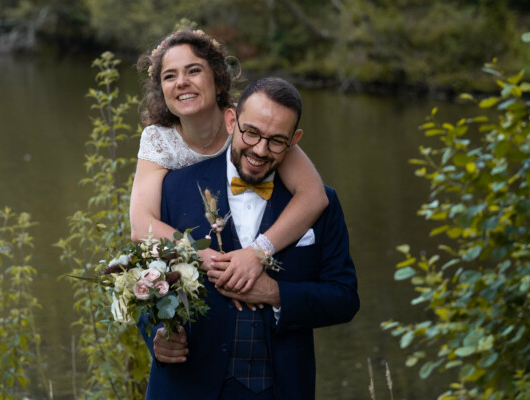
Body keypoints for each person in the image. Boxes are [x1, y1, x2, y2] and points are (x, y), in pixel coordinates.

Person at [138, 77, 360, 399]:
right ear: (232, 121)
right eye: (251, 132)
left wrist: (276, 293)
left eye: (276, 141)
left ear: (293, 140)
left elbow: (344, 299)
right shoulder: (175, 189)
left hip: (280, 388)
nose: (259, 150)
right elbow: (143, 281)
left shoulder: (320, 204)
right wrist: (156, 334)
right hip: (186, 386)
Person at [130, 29, 328, 295]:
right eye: (169, 76)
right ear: (161, 91)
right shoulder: (157, 139)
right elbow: (142, 225)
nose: (181, 82)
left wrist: (259, 252)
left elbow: (314, 196)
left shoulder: (251, 122)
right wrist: (205, 257)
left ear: (219, 81)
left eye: (193, 71)